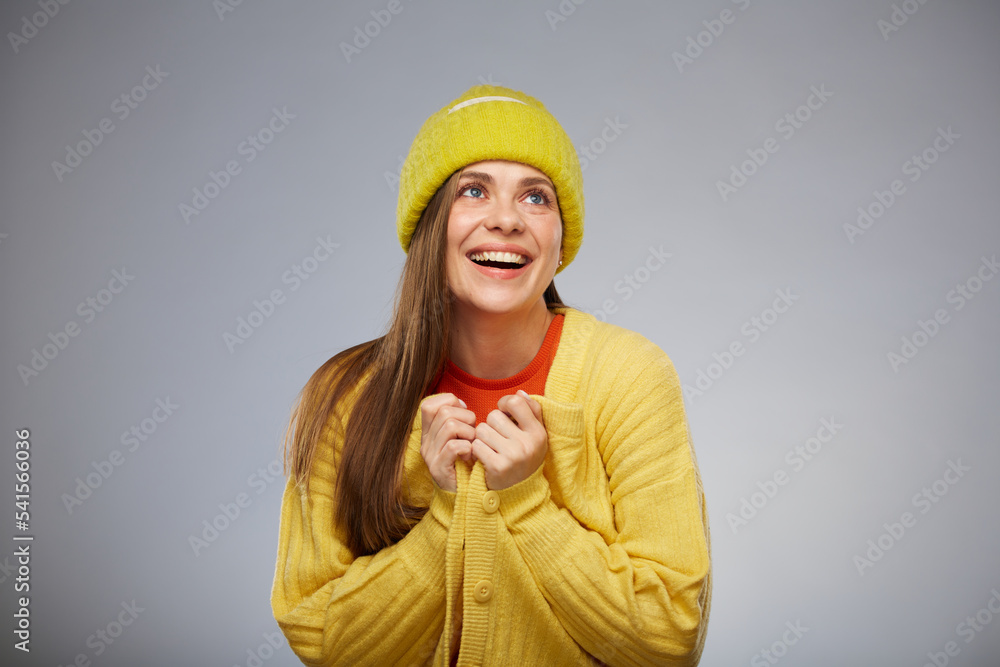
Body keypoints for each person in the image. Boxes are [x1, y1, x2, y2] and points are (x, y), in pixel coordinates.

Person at [271, 84, 712, 666]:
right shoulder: (344, 397)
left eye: (536, 198)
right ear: (429, 225)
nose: (506, 219)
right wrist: (445, 517)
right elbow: (321, 639)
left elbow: (668, 634)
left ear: (561, 239)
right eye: (473, 191)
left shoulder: (630, 376)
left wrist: (527, 503)